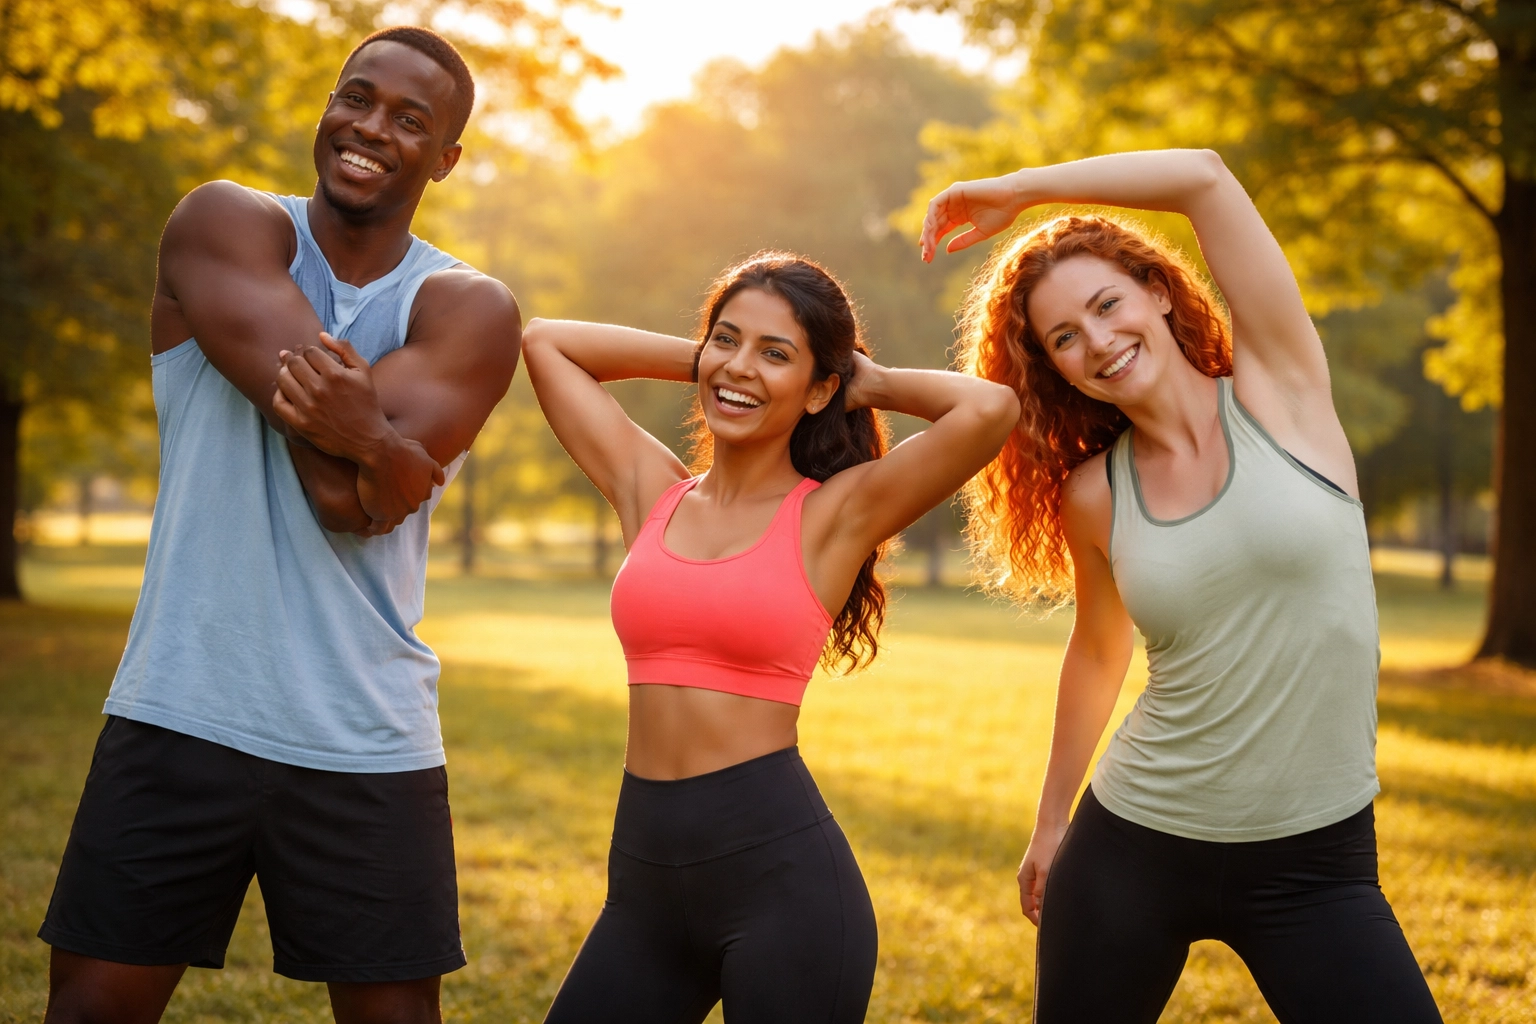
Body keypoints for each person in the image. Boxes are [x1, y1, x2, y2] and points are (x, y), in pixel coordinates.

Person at [38, 26, 520, 1024]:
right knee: (92, 1009)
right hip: (182, 703)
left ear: (446, 159)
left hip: (366, 731)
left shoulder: (470, 307)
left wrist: (371, 455)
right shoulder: (221, 223)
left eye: (409, 120)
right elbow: (359, 486)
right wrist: (387, 450)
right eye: (356, 97)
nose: (369, 127)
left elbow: (345, 505)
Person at [918, 149, 1443, 1023]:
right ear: (1056, 369)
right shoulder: (1098, 494)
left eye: (1106, 303)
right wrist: (1051, 826)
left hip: (1315, 862)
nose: (1098, 342)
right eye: (1065, 338)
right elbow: (1096, 651)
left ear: (1158, 291)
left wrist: (1021, 191)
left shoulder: (1284, 395)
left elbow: (1203, 177)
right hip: (1133, 848)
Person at [521, 252, 1018, 1024]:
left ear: (824, 388)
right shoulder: (650, 492)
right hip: (644, 889)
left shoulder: (835, 515)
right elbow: (548, 343)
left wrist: (867, 380)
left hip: (783, 890)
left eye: (775, 353)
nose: (741, 368)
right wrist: (709, 364)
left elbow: (988, 410)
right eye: (728, 337)